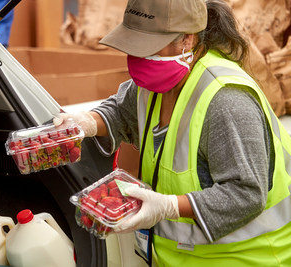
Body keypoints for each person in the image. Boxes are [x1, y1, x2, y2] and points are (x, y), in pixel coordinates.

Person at [53, 0, 291, 266]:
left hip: (245, 258)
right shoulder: (155, 82)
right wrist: (85, 122)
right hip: (179, 258)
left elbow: (246, 193)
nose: (137, 58)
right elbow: (122, 111)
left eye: (147, 47)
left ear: (187, 40)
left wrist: (169, 207)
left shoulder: (226, 100)